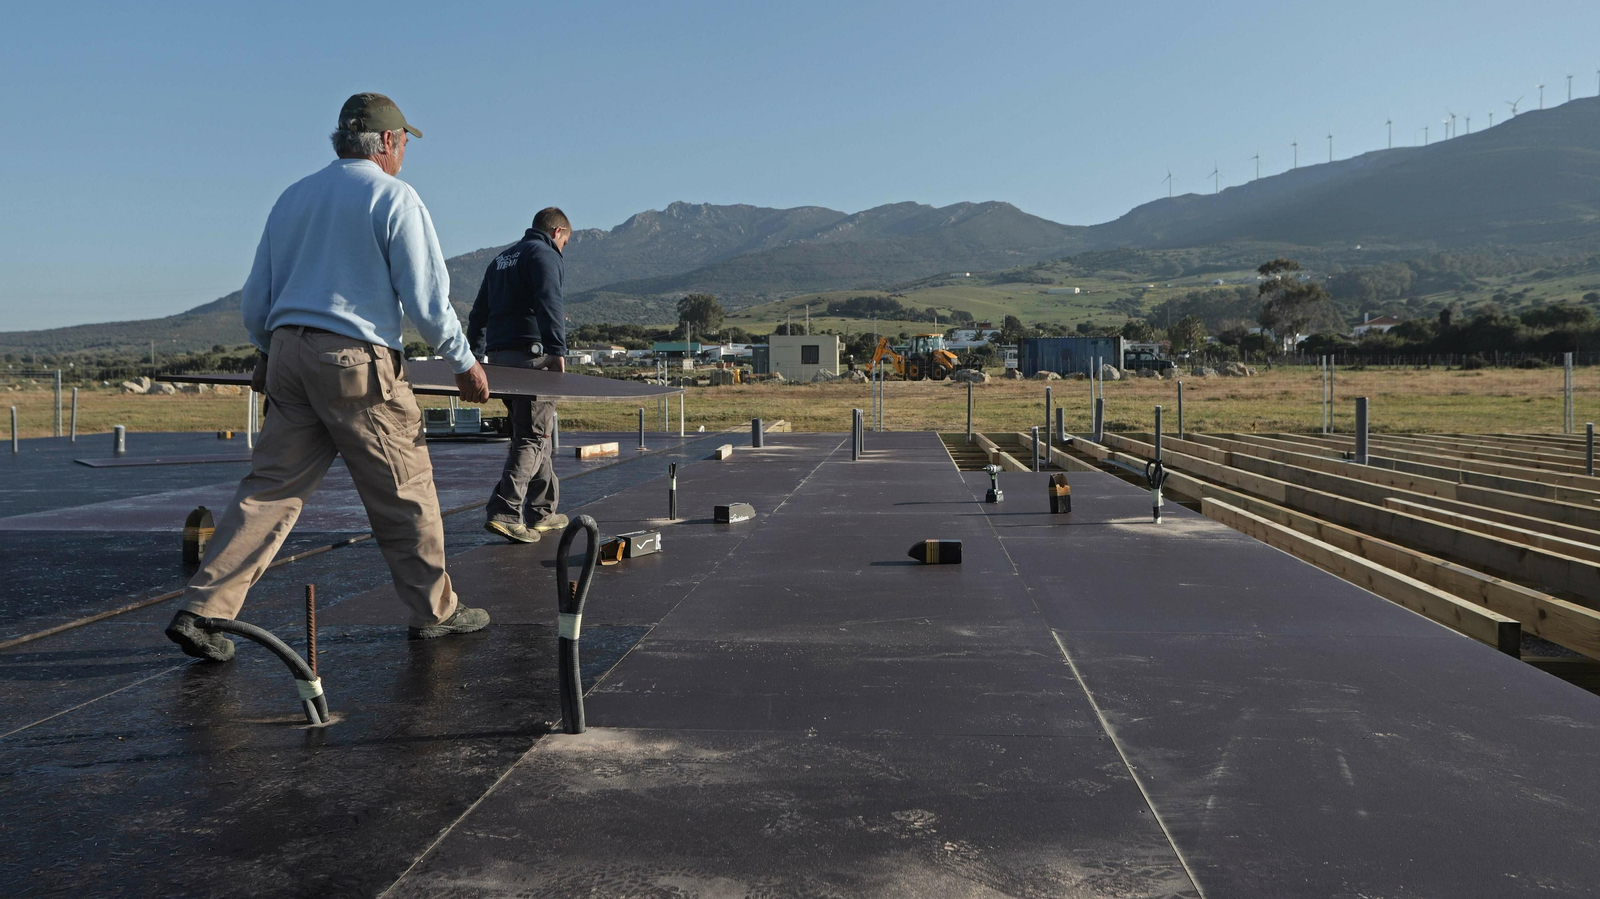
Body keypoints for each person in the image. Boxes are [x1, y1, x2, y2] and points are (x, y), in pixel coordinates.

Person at [164, 92, 494, 662]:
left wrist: (270, 350)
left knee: (269, 490)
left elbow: (255, 300)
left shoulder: (293, 198)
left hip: (289, 354)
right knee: (403, 490)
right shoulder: (394, 197)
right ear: (389, 142)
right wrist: (463, 361)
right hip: (354, 363)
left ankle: (203, 609)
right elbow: (426, 296)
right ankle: (435, 612)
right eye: (405, 144)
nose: (404, 155)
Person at [466, 208, 572, 543]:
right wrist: (557, 351)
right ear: (557, 232)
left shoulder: (501, 259)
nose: (562, 249)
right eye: (565, 243)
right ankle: (505, 511)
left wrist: (474, 356)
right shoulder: (544, 254)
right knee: (534, 436)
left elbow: (478, 313)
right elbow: (549, 302)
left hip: (499, 358)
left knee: (530, 432)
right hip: (532, 357)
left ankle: (542, 511)